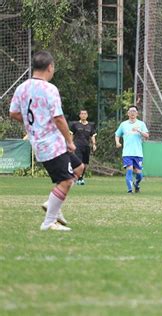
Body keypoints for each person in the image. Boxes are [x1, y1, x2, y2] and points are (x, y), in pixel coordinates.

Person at [9, 50, 84, 231]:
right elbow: (58, 118)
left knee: (79, 168)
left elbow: (13, 113)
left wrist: (32, 125)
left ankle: (52, 203)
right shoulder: (50, 89)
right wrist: (69, 140)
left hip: (43, 141)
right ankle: (49, 221)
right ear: (50, 67)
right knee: (66, 182)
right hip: (50, 143)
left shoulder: (22, 87)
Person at [115, 105, 149, 193]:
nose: (132, 113)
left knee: (139, 174)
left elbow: (147, 136)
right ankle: (129, 190)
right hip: (127, 153)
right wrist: (117, 142)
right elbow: (117, 134)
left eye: (134, 111)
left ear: (137, 113)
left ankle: (136, 185)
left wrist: (139, 131)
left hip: (138, 153)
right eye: (131, 111)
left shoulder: (141, 124)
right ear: (128, 113)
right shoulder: (123, 124)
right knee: (129, 169)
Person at [70, 109, 97, 185]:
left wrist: (94, 144)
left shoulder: (90, 126)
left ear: (87, 115)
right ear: (79, 115)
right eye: (82, 114)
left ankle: (80, 177)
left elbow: (92, 136)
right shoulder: (75, 125)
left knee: (85, 164)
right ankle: (79, 178)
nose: (83, 115)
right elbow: (71, 135)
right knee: (79, 163)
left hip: (86, 146)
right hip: (77, 146)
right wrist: (70, 144)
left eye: (85, 114)